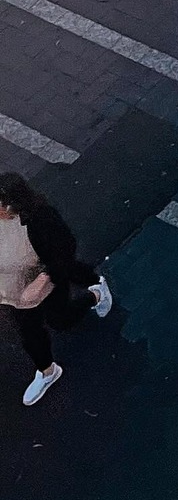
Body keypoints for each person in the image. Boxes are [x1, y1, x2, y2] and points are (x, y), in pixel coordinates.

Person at [1, 172, 111, 408]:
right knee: (29, 333)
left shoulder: (41, 219)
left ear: (13, 204)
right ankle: (47, 371)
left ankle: (96, 294)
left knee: (60, 320)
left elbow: (64, 252)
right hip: (12, 289)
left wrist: (42, 280)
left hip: (44, 279)